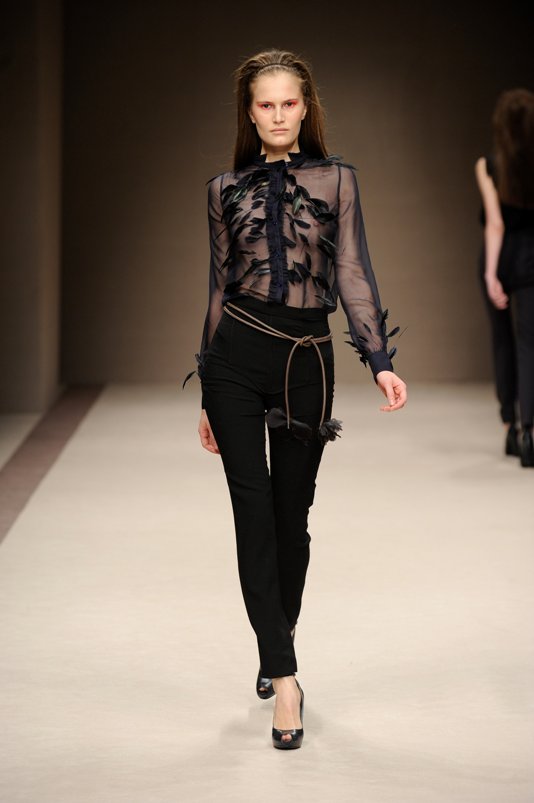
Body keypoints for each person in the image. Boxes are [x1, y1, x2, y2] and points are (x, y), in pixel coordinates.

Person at [183, 48, 407, 749]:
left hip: (306, 360)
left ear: (304, 108)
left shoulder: (338, 180)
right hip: (234, 359)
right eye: (266, 104)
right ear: (250, 114)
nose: (278, 115)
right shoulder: (223, 188)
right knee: (252, 514)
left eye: (289, 103)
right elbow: (218, 288)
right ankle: (285, 677)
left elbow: (353, 270)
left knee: (291, 517)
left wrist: (378, 360)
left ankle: (274, 634)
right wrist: (206, 389)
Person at [475, 88, 534, 468]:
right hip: (531, 259)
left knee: (502, 341)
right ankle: (530, 431)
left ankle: (510, 426)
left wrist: (491, 272)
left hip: (500, 255)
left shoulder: (489, 165)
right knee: (530, 342)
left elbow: (495, 224)